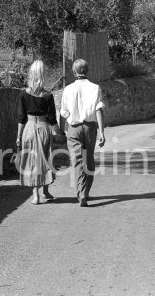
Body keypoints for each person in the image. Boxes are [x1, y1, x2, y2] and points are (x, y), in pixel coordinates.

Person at [60, 59, 106, 207]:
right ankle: (85, 192)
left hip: (74, 128)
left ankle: (81, 193)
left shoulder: (67, 89)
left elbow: (63, 112)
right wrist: (102, 132)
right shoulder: (95, 88)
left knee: (78, 161)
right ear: (87, 71)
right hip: (90, 128)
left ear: (74, 72)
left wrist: (65, 126)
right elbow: (99, 110)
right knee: (89, 159)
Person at [16, 60, 61, 205]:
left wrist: (18, 136)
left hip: (28, 129)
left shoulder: (23, 94)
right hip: (43, 128)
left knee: (32, 160)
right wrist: (59, 133)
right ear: (42, 75)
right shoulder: (48, 96)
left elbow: (21, 117)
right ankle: (45, 191)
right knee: (45, 159)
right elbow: (52, 118)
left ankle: (36, 196)